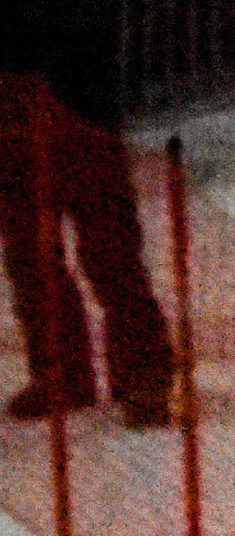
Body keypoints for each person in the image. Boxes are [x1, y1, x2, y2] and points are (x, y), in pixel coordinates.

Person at [0, 0, 177, 427]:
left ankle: (139, 375)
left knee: (107, 246)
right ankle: (69, 373)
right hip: (24, 95)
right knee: (32, 252)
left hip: (74, 90)